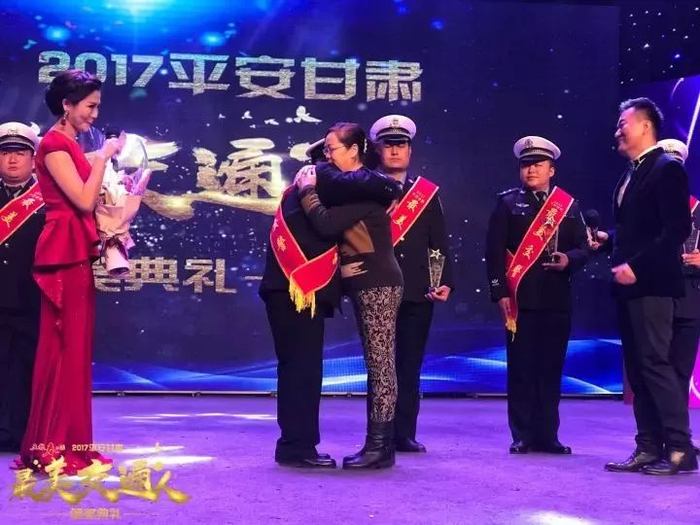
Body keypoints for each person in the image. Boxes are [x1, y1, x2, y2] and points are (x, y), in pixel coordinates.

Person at [260, 138, 400, 469]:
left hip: (294, 289)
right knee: (303, 369)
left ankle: (301, 444)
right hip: (297, 290)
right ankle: (298, 446)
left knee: (301, 368)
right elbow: (330, 222)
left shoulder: (306, 191)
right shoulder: (316, 188)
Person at [17, 70, 122, 474]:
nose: (95, 114)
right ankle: (54, 445)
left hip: (74, 251)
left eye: (97, 106)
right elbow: (81, 200)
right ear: (67, 104)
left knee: (73, 348)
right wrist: (103, 157)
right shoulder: (55, 144)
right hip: (63, 251)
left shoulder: (70, 143)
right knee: (63, 347)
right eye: (90, 106)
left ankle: (67, 442)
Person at [296, 122, 404, 469]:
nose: (327, 157)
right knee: (377, 363)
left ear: (354, 150)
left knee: (380, 363)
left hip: (377, 281)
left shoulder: (364, 188)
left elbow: (326, 223)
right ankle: (378, 445)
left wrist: (307, 192)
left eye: (332, 149)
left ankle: (380, 446)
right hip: (362, 281)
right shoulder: (350, 186)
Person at [603, 98, 697, 476]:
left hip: (653, 284)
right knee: (639, 370)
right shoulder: (632, 172)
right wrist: (606, 242)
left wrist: (637, 267)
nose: (617, 131)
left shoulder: (666, 167)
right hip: (630, 286)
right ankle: (647, 446)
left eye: (623, 123)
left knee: (656, 365)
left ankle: (680, 449)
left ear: (645, 126)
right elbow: (636, 232)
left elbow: (676, 229)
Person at [485, 136, 589, 455]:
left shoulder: (568, 206)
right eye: (525, 165)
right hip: (520, 301)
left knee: (550, 368)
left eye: (537, 164)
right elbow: (493, 251)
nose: (530, 170)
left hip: (556, 300)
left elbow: (584, 247)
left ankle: (548, 435)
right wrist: (499, 292)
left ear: (551, 170)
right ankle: (522, 434)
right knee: (521, 369)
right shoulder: (507, 203)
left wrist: (569, 259)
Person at [368, 114, 454, 453]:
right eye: (388, 145)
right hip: (377, 287)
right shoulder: (366, 188)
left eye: (400, 145)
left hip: (418, 289)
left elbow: (438, 241)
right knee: (380, 366)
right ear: (378, 150)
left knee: (409, 364)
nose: (394, 151)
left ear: (410, 151)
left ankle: (403, 433)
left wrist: (443, 280)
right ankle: (379, 434)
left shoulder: (426, 193)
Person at [0, 122, 43, 453]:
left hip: (31, 298)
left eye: (19, 153)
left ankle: (18, 433)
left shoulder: (49, 199)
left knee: (23, 368)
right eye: (5, 153)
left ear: (33, 158)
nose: (12, 160)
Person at [657, 138, 700, 457]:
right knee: (654, 370)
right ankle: (653, 438)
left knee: (681, 371)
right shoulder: (646, 210)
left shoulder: (698, 209)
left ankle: (679, 438)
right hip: (655, 298)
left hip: (690, 298)